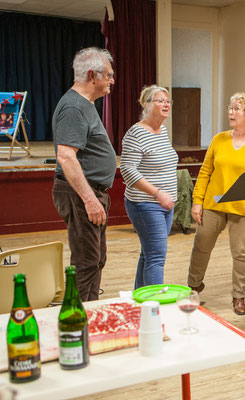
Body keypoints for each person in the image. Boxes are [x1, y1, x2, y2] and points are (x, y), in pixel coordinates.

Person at [187, 92, 245, 315]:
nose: (231, 112)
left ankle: (239, 297)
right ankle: (193, 286)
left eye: (236, 108)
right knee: (201, 247)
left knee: (241, 254)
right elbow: (205, 172)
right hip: (213, 204)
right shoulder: (219, 139)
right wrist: (197, 202)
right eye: (230, 108)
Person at [51, 47, 116, 301]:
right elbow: (66, 157)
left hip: (90, 192)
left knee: (95, 259)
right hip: (82, 193)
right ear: (92, 75)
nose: (112, 80)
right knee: (86, 263)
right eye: (109, 75)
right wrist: (90, 200)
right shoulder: (74, 108)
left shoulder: (85, 104)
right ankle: (78, 320)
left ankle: (90, 312)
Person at [120, 85, 178, 289]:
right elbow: (127, 171)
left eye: (168, 101)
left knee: (149, 253)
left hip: (165, 204)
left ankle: (141, 300)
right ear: (146, 104)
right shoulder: (136, 133)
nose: (166, 104)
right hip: (145, 204)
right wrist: (157, 193)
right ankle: (155, 309)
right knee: (156, 257)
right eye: (160, 100)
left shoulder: (162, 131)